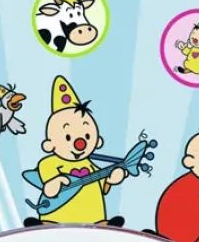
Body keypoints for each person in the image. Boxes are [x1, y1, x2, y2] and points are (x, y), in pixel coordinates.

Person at [24, 75, 127, 227]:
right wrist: (56, 182)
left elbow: (103, 188)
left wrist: (112, 179)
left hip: (93, 219)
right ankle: (46, 224)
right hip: (56, 216)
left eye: (87, 136)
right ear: (49, 144)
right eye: (67, 137)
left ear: (97, 141)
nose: (80, 144)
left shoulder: (90, 165)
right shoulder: (48, 163)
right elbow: (49, 189)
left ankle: (103, 224)